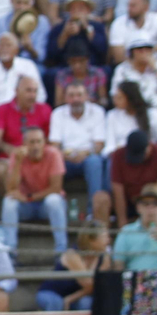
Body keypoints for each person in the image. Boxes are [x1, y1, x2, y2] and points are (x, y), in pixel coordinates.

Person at [48, 81, 108, 221]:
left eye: (79, 95)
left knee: (94, 162)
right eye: (71, 95)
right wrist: (66, 155)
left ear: (87, 96)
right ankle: (58, 212)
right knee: (53, 159)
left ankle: (93, 213)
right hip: (65, 159)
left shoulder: (97, 112)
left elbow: (99, 144)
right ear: (65, 98)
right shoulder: (57, 113)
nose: (75, 99)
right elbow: (54, 145)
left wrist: (83, 154)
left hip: (88, 156)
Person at [36, 226, 106, 310]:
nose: (108, 241)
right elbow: (89, 283)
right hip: (51, 292)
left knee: (86, 302)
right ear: (92, 241)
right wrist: (95, 260)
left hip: (73, 297)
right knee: (56, 303)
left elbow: (94, 286)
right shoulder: (72, 255)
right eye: (104, 237)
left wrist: (69, 299)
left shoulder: (104, 257)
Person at [112, 130, 157, 226]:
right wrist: (122, 222)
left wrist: (148, 210)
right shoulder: (118, 156)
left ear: (149, 147)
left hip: (155, 201)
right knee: (101, 198)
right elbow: (118, 192)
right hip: (129, 201)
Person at [112, 181, 157, 269]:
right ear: (138, 208)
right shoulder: (126, 231)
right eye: (146, 204)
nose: (150, 208)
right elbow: (118, 264)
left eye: (156, 204)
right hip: (134, 278)